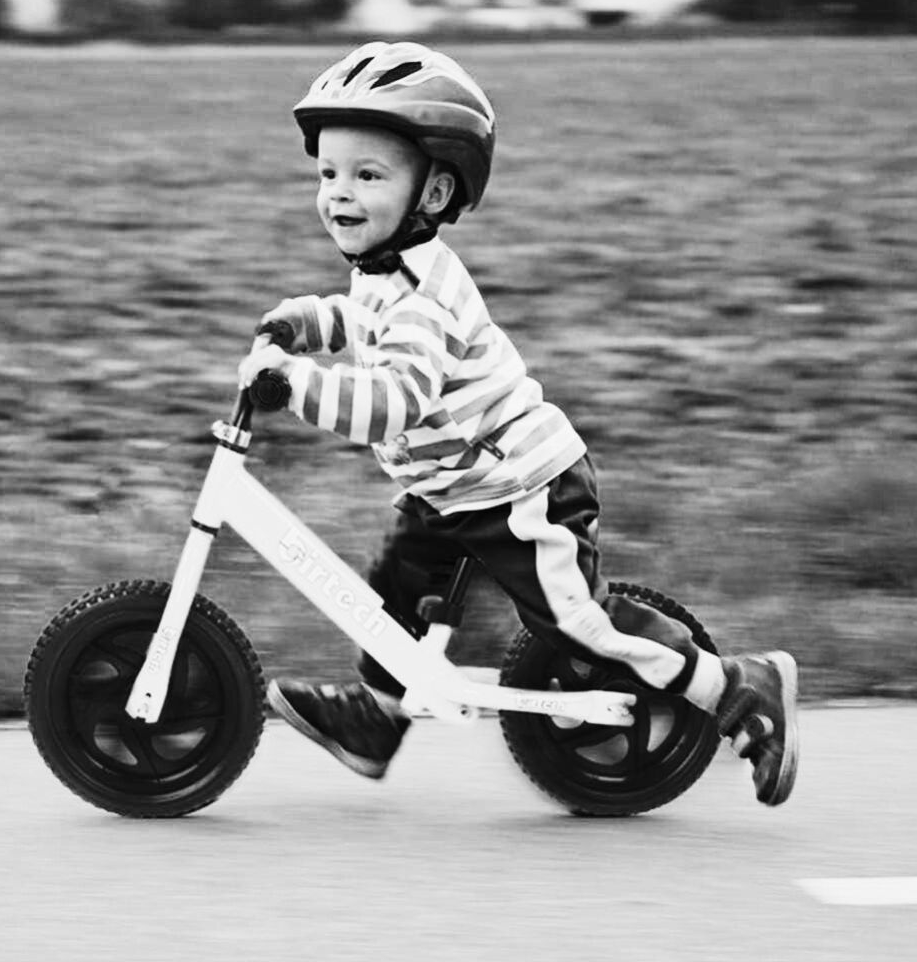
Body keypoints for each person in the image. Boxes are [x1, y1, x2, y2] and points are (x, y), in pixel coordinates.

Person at [238, 41, 799, 807]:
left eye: (367, 175)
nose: (339, 193)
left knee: (583, 626)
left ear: (433, 194)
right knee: (397, 592)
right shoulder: (387, 272)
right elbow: (361, 320)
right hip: (451, 486)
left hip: (520, 488)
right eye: (328, 173)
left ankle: (740, 687)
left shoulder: (425, 298)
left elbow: (393, 399)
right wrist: (309, 322)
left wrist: (294, 383)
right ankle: (379, 718)